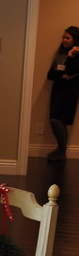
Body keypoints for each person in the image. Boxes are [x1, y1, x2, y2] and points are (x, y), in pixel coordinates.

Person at [46, 25, 79, 161]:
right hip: (58, 89)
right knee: (58, 120)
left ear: (75, 40)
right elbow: (50, 74)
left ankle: (61, 150)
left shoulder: (76, 55)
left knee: (56, 119)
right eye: (63, 37)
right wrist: (62, 75)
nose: (64, 40)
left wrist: (71, 56)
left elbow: (72, 71)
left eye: (67, 38)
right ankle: (61, 152)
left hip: (69, 91)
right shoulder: (60, 54)